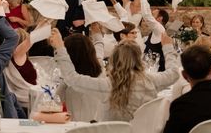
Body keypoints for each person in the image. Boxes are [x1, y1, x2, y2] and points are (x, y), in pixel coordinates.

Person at [50, 26, 180, 121]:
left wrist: (61, 48)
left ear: (114, 60)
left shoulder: (108, 85)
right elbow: (174, 73)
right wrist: (167, 47)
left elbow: (72, 78)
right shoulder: (152, 80)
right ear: (139, 59)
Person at [56, 31, 106, 121]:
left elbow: (54, 104)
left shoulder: (69, 83)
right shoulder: (102, 75)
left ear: (69, 56)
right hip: (99, 128)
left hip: (75, 129)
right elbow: (99, 50)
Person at [3, 28, 37, 112]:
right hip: (26, 102)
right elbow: (32, 38)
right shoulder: (17, 56)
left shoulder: (5, 58)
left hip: (17, 101)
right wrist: (44, 24)